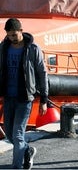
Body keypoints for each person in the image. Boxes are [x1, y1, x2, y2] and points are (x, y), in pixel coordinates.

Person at [0, 18, 48, 169]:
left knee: (18, 134)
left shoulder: (33, 48)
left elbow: (42, 73)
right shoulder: (3, 47)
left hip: (25, 98)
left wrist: (44, 100)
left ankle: (17, 166)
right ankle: (27, 150)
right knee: (9, 133)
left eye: (14, 35)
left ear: (21, 31)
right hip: (8, 97)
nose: (12, 38)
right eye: (9, 35)